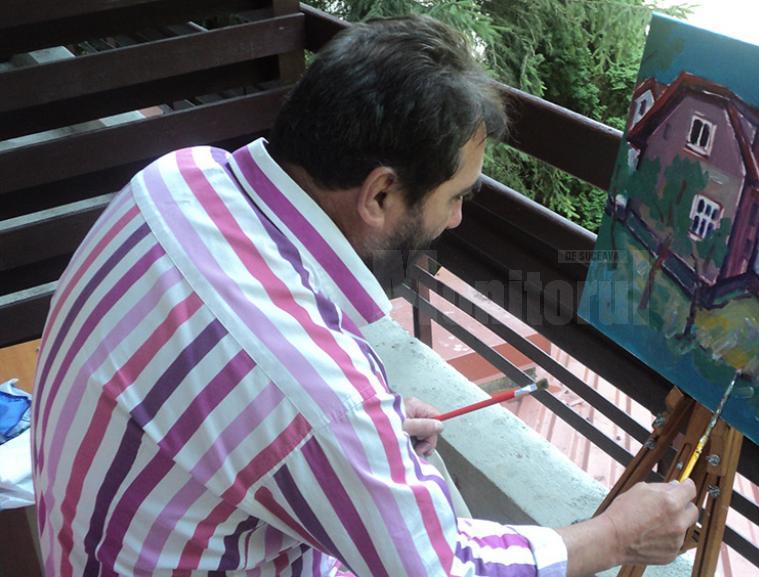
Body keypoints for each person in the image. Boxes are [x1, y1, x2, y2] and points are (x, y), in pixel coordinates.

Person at [31, 14, 698, 577]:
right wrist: (617, 534)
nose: (456, 221)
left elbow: (231, 395)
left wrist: (362, 432)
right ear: (380, 194)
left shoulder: (176, 177)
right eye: (455, 196)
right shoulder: (319, 393)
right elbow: (444, 567)